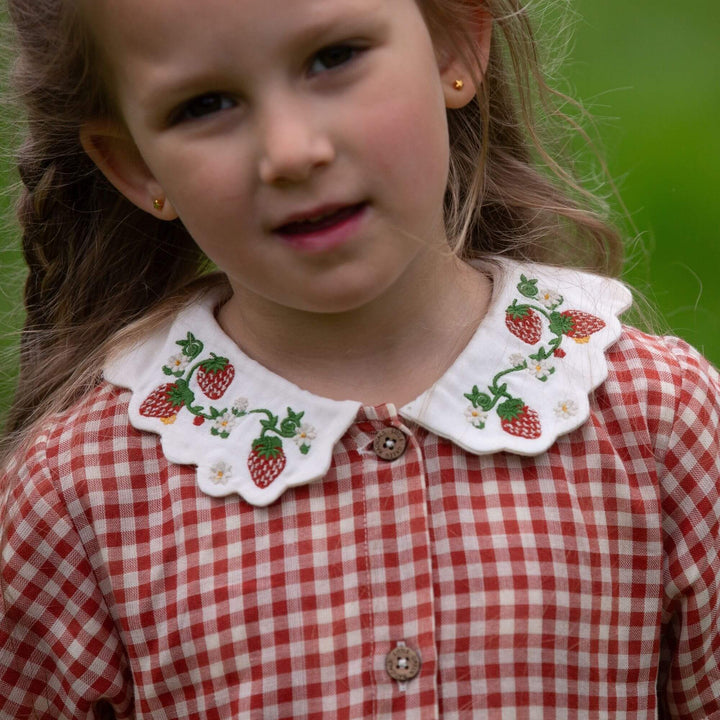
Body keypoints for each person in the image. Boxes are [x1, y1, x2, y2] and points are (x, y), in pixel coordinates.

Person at [0, 0, 718, 716]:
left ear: (452, 48)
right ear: (133, 163)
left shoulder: (662, 422)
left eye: (333, 57)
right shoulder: (79, 501)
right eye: (205, 104)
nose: (291, 150)